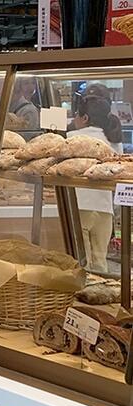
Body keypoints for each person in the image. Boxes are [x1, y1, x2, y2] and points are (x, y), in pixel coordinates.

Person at [68, 94, 123, 273]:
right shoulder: (114, 141)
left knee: (82, 266)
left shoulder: (71, 138)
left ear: (85, 118)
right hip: (104, 210)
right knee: (100, 263)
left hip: (79, 207)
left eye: (76, 114)